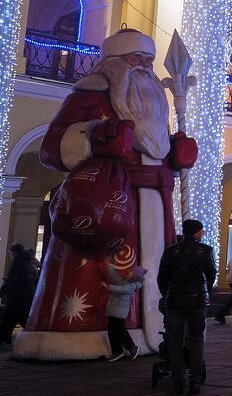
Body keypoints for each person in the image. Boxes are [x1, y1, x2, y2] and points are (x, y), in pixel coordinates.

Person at [22, 28, 197, 360]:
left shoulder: (156, 103)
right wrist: (96, 137)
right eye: (136, 59)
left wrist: (175, 154)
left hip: (158, 205)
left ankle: (156, 330)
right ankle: (89, 333)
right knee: (98, 271)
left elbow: (156, 149)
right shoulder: (88, 96)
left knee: (158, 268)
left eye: (148, 59)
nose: (144, 66)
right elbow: (51, 147)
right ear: (115, 62)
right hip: (112, 200)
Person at [157, 218, 216, 395]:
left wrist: (168, 293)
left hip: (174, 301)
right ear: (196, 232)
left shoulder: (170, 251)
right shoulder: (206, 251)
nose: (203, 233)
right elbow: (211, 275)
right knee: (196, 339)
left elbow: (162, 278)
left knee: (174, 341)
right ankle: (195, 381)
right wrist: (203, 291)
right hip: (197, 302)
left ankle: (177, 381)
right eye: (201, 230)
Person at [103, 263, 146, 361]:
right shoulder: (125, 281)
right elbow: (116, 279)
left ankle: (132, 347)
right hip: (114, 309)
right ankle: (117, 351)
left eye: (130, 271)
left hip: (119, 310)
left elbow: (122, 289)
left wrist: (108, 287)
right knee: (112, 330)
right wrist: (110, 267)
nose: (128, 272)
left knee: (119, 329)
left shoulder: (132, 285)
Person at [0, 243, 38, 346]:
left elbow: (12, 280)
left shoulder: (18, 261)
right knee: (12, 320)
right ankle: (6, 339)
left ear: (14, 252)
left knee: (8, 319)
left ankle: (35, 341)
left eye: (11, 254)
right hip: (26, 297)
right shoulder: (29, 262)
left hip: (17, 298)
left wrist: (1, 292)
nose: (11, 256)